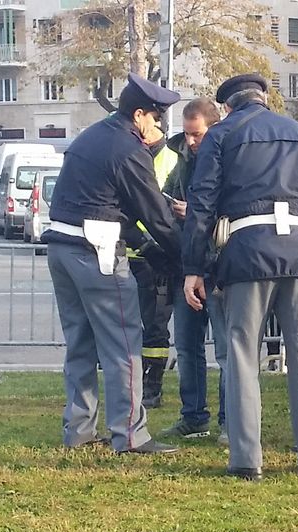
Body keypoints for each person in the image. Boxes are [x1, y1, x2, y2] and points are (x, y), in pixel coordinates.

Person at [182, 74, 298, 481]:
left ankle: (247, 460)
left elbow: (202, 204)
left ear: (229, 107)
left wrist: (194, 267)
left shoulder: (221, 136)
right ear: (266, 100)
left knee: (241, 353)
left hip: (248, 249)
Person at [43, 73, 182, 454]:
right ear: (139, 115)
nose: (158, 126)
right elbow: (156, 215)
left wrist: (146, 245)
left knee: (81, 344)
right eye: (155, 117)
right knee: (123, 345)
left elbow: (104, 203)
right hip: (97, 252)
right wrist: (185, 258)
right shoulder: (128, 149)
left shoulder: (92, 135)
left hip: (61, 247)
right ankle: (131, 435)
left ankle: (78, 430)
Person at [158, 97, 229, 442]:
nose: (190, 142)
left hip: (219, 268)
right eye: (186, 135)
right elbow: (164, 196)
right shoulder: (183, 161)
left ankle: (230, 421)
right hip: (186, 265)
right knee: (186, 346)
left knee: (227, 352)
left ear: (214, 129)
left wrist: (202, 215)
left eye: (196, 135)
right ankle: (194, 416)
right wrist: (174, 209)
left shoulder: (230, 158)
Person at [122, 118, 179, 409]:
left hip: (160, 256)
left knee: (156, 325)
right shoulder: (130, 154)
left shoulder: (172, 158)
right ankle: (133, 381)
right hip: (130, 252)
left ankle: (153, 386)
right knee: (128, 324)